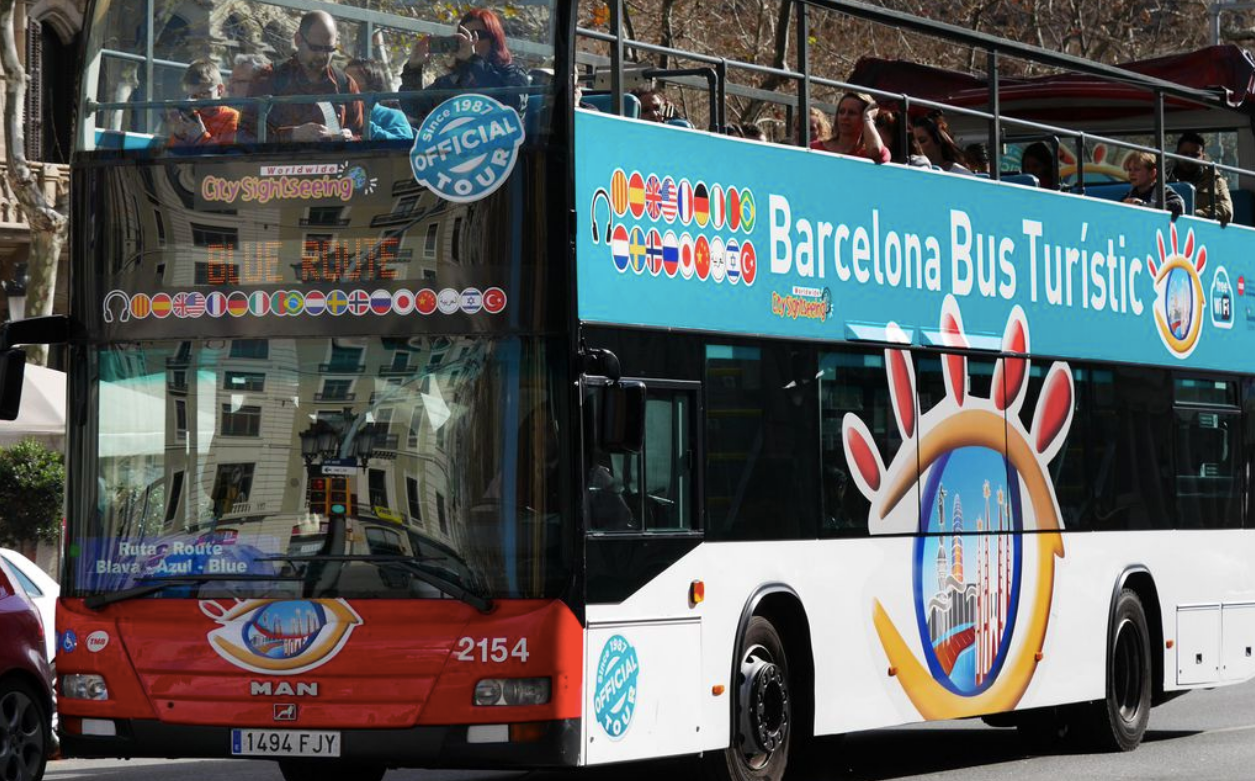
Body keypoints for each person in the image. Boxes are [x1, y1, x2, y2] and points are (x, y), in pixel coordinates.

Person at [238, 11, 364, 143]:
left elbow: (363, 136)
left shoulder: (345, 83)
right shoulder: (269, 78)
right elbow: (246, 136)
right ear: (298, 40)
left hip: (332, 162)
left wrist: (348, 138)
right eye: (315, 48)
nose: (322, 56)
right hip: (283, 161)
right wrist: (291, 135)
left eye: (329, 49)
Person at [400, 8, 529, 123]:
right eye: (465, 36)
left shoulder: (513, 74)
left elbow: (509, 106)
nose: (470, 42)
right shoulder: (452, 81)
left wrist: (473, 60)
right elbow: (415, 109)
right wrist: (413, 68)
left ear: (494, 39)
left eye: (476, 35)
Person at [166, 59, 238, 146]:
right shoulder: (192, 117)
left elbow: (225, 155)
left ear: (220, 89)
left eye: (204, 94)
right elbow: (171, 154)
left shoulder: (231, 116)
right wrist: (179, 135)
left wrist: (200, 136)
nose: (199, 101)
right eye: (194, 96)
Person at [1169, 131, 1233, 222]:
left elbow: (1227, 210)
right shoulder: (1163, 176)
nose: (1189, 158)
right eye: (1185, 154)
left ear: (1203, 157)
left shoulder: (1215, 180)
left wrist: (1193, 214)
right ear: (1176, 154)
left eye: (1195, 155)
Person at [346, 58, 414, 141]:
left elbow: (404, 143)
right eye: (345, 80)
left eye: (354, 81)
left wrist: (366, 126)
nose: (348, 85)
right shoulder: (340, 115)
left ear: (372, 85)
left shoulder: (392, 116)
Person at [812, 92, 889, 164]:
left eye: (852, 113)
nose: (845, 117)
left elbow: (876, 151)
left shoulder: (869, 153)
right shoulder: (816, 148)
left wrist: (868, 118)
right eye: (841, 112)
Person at [1122, 150, 1184, 217]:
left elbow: (1179, 205)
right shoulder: (1131, 194)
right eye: (1130, 169)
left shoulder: (1162, 191)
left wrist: (1144, 206)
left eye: (1137, 169)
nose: (1131, 173)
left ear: (1152, 173)